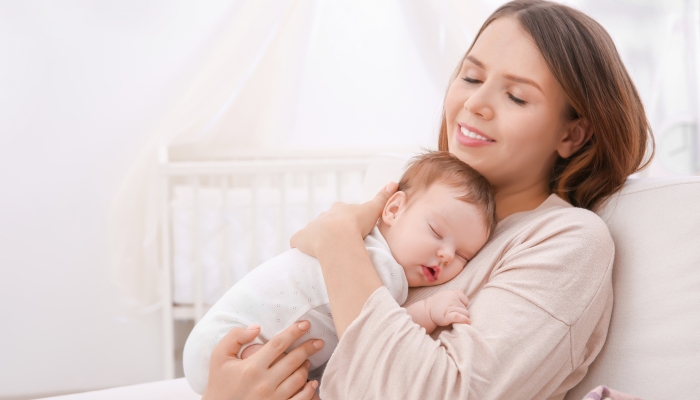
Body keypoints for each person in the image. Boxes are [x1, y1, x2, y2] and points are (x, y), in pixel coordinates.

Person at [199, 1, 654, 399]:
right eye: (471, 76)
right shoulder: (412, 207)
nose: (475, 102)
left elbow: (433, 393)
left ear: (572, 134)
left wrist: (339, 238)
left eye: (516, 96)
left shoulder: (568, 242)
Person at [183, 152, 496, 394]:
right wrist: (429, 310)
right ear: (394, 209)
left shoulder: (360, 247)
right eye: (437, 231)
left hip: (217, 346)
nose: (446, 254)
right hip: (228, 342)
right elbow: (376, 332)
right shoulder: (374, 259)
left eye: (462, 255)